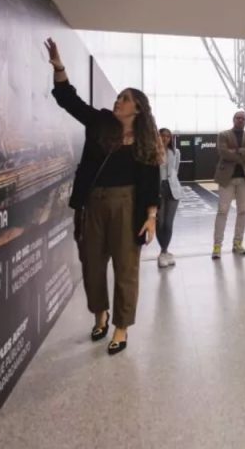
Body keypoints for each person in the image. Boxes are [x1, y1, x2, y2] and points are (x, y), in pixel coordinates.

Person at [46, 38, 161, 356]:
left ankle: (121, 328)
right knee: (92, 265)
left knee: (126, 268)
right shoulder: (99, 123)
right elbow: (69, 101)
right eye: (118, 97)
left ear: (137, 108)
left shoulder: (146, 140)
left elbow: (151, 182)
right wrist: (59, 68)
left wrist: (151, 217)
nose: (118, 101)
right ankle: (101, 314)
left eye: (124, 99)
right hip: (93, 203)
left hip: (128, 205)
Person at [211, 111, 245, 259]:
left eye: (243, 118)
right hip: (227, 178)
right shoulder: (223, 135)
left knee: (243, 212)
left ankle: (237, 243)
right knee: (222, 211)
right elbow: (224, 153)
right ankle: (217, 246)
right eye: (238, 118)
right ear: (233, 119)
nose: (240, 120)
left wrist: (239, 151)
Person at [157, 128, 182, 269]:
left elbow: (175, 170)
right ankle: (163, 252)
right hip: (158, 189)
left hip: (173, 189)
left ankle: (164, 251)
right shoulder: (152, 152)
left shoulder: (176, 152)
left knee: (168, 223)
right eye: (162, 135)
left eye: (168, 136)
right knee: (159, 223)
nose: (165, 138)